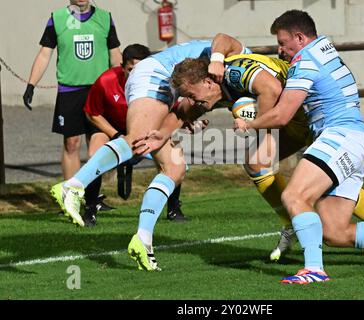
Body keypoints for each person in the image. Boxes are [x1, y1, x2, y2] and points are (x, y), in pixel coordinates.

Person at [233, 10, 364, 284]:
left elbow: (282, 115)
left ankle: (314, 269)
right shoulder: (323, 48)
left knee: (294, 196)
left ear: (299, 37)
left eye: (282, 43)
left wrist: (250, 123)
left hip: (339, 136)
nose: (279, 50)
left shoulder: (304, 60)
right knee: (333, 232)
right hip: (354, 142)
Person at [138, 53, 364, 262]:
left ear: (207, 82)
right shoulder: (208, 92)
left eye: (190, 93)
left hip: (307, 114)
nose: (189, 99)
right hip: (291, 117)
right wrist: (159, 135)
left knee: (325, 182)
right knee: (259, 163)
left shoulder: (233, 72)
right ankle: (291, 224)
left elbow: (272, 89)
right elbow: (180, 113)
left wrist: (263, 134)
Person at [50, 34, 249, 272]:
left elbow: (186, 109)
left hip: (167, 84)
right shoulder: (244, 64)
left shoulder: (230, 91)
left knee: (175, 167)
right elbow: (224, 38)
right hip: (156, 73)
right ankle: (73, 185)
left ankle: (142, 239)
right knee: (135, 138)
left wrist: (166, 133)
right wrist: (217, 58)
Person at [80, 44, 187, 226]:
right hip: (111, 127)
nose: (136, 73)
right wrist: (115, 136)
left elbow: (176, 113)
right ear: (122, 67)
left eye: (140, 68)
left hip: (147, 130)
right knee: (94, 153)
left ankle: (174, 208)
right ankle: (90, 209)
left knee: (176, 157)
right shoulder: (106, 81)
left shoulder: (160, 81)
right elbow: (92, 113)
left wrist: (191, 122)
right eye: (131, 69)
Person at [23, 0, 122, 189]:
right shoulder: (57, 19)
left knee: (98, 145)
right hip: (70, 91)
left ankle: (93, 198)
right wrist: (31, 85)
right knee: (71, 143)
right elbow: (45, 53)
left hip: (98, 91)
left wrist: (121, 87)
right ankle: (71, 196)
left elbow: (115, 55)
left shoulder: (104, 18)